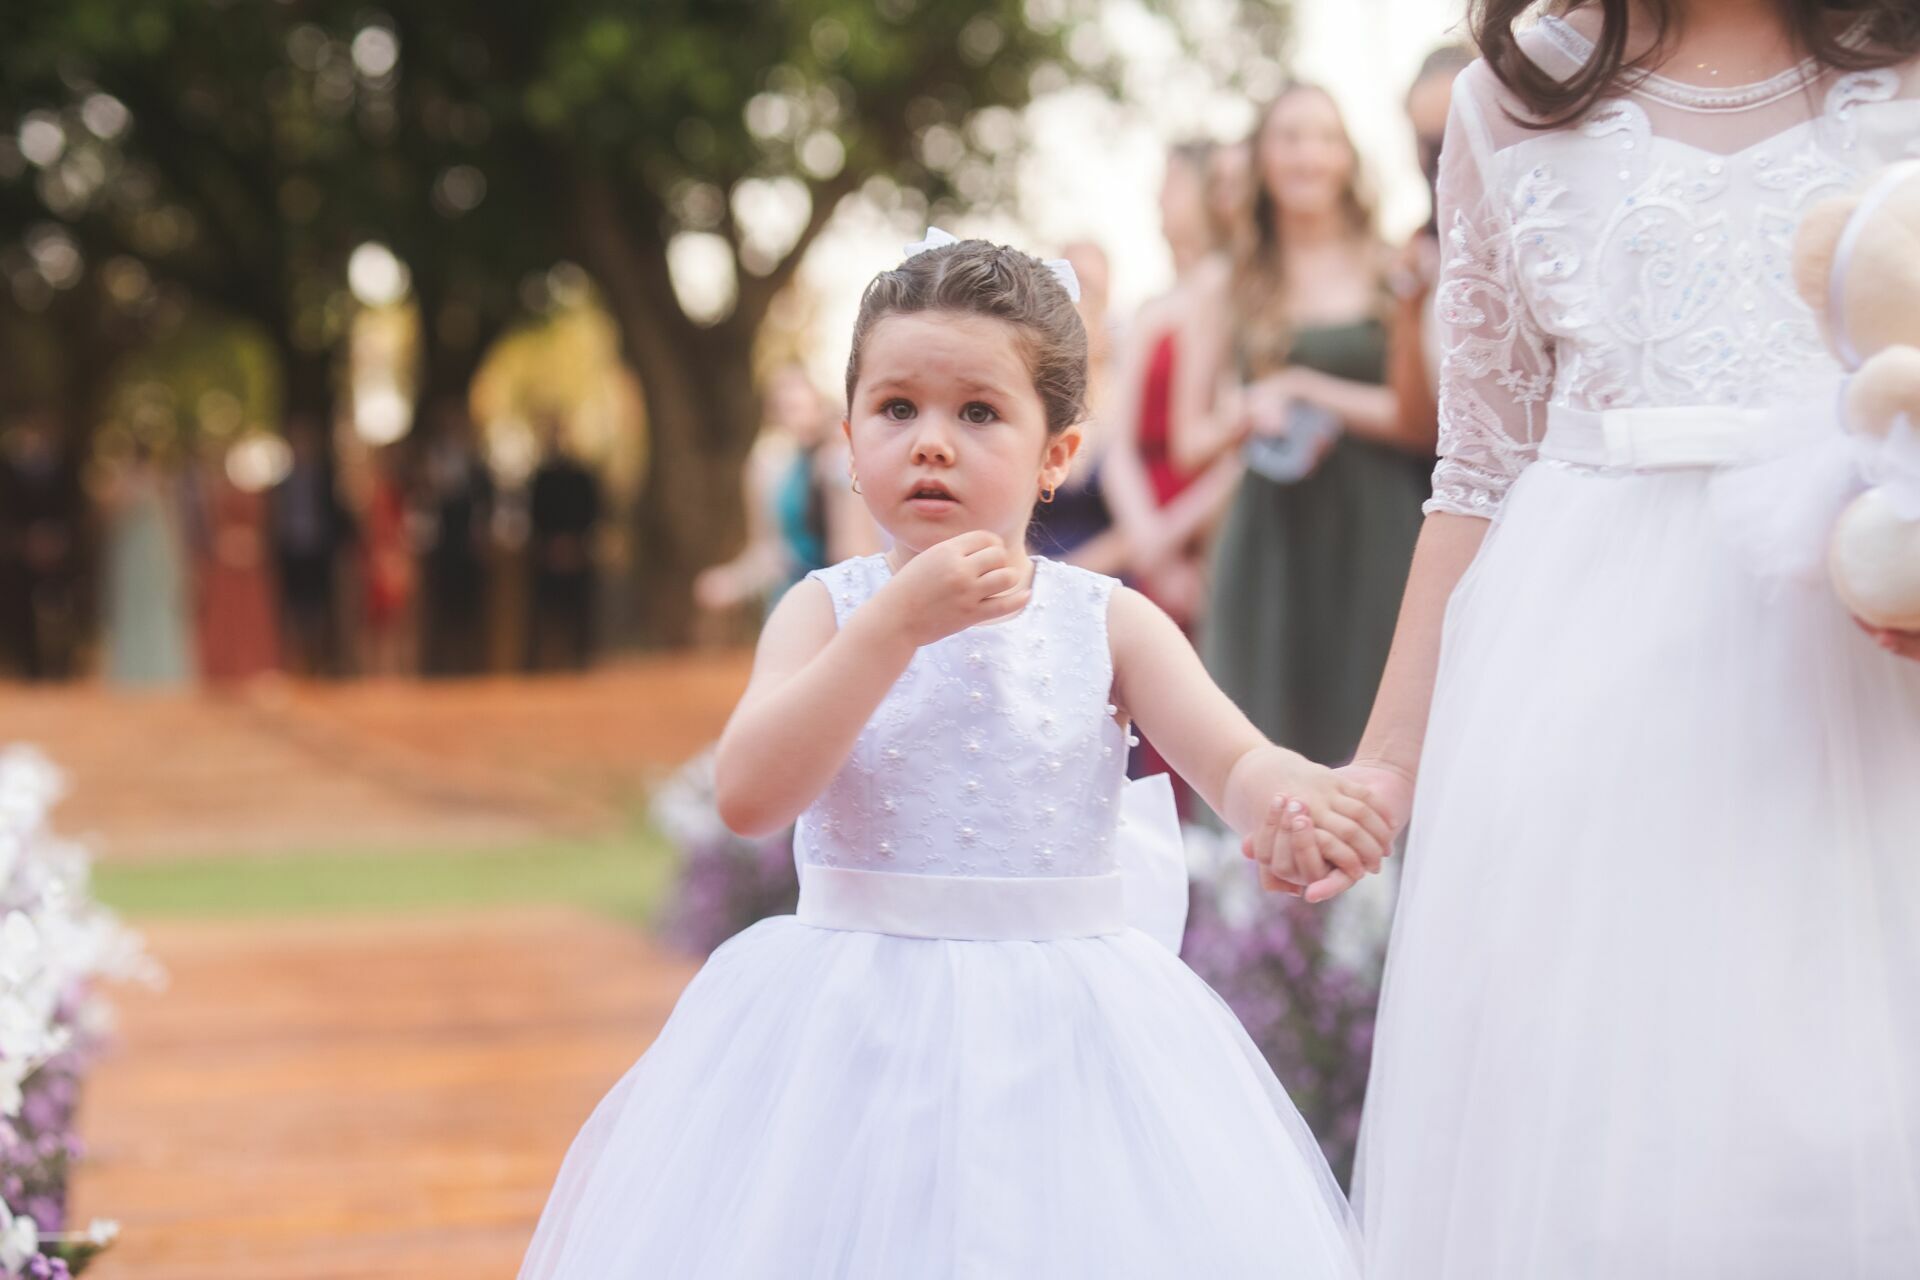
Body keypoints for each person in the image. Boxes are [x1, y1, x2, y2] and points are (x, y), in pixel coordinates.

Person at [517, 236, 1397, 1279]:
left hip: (1065, 1038)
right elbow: (749, 795)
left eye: (979, 413)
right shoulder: (825, 610)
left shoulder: (1107, 619)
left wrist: (1293, 800)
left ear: (1056, 455)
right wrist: (892, 627)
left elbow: (1235, 760)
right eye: (897, 409)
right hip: (852, 1035)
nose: (932, 442)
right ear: (851, 441)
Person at [1275, 3, 1920, 1275]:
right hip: (1585, 695)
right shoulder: (1508, 98)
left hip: (1862, 664)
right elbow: (1476, 470)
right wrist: (1389, 762)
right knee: (1609, 1143)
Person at [1184, 85, 1435, 771]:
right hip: (1272, 541)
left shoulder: (1390, 268)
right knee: (1265, 746)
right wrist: (1247, 412)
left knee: (1380, 744)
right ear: (1262, 158)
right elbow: (1190, 440)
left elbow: (1419, 423)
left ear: (1348, 157)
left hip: (1379, 531)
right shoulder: (1226, 282)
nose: (1308, 156)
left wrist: (1301, 385)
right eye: (1290, 138)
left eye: (1325, 138)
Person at [97, 440, 193, 689]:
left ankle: (157, 670)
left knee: (153, 609)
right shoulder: (139, 483)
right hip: (137, 556)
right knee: (135, 609)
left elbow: (170, 524)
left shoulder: (156, 483)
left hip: (148, 557)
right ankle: (135, 671)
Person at [0, 414, 85, 681]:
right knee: (21, 608)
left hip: (60, 547)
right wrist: (25, 539)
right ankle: (30, 666)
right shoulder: (10, 468)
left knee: (64, 607)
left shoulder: (66, 466)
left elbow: (74, 508)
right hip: (23, 549)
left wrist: (58, 538)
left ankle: (62, 664)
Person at [414, 402, 495, 677]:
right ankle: (444, 663)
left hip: (468, 548)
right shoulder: (433, 464)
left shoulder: (476, 468)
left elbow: (485, 505)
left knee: (469, 607)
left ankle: (470, 662)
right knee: (443, 606)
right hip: (444, 546)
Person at [269, 415, 352, 677]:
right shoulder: (282, 483)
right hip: (291, 552)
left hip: (318, 552)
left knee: (319, 607)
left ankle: (319, 662)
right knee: (294, 608)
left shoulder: (325, 478)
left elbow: (338, 515)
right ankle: (298, 663)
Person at [524, 413, 602, 672]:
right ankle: (546, 660)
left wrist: (575, 543)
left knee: (579, 612)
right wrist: (552, 545)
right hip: (548, 553)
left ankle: (579, 659)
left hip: (577, 552)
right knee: (547, 612)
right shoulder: (541, 478)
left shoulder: (581, 476)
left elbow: (592, 511)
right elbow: (535, 515)